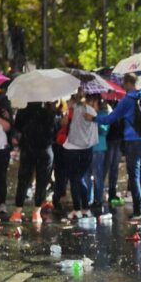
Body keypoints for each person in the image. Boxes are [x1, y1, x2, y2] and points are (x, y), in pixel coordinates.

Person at [95, 73, 141, 218]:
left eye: (124, 83)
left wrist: (93, 119)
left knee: (134, 175)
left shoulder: (126, 100)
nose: (123, 86)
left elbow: (110, 119)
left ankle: (138, 210)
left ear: (129, 83)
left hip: (133, 140)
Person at [11, 102, 58, 223]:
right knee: (42, 180)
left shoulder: (23, 111)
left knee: (24, 179)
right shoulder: (49, 112)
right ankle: (36, 213)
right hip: (45, 150)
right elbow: (54, 131)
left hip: (28, 148)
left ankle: (17, 212)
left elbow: (17, 128)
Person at [62, 91, 99, 220]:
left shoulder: (73, 110)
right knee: (81, 178)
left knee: (74, 179)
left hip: (72, 148)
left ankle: (77, 209)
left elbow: (64, 125)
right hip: (87, 149)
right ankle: (86, 208)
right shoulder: (92, 112)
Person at [88, 100, 111, 211]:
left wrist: (95, 119)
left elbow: (104, 131)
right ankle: (90, 198)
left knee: (98, 175)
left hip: (99, 148)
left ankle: (98, 199)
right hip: (89, 146)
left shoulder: (103, 114)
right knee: (89, 175)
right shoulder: (88, 113)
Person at [104, 116, 125, 203]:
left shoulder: (119, 106)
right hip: (111, 139)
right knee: (107, 168)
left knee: (113, 168)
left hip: (116, 139)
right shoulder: (111, 108)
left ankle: (112, 192)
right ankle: (103, 193)